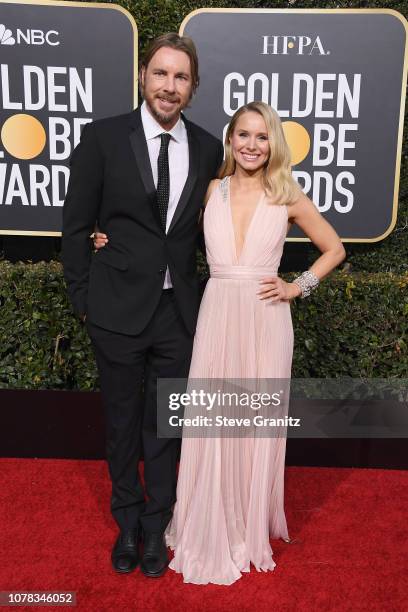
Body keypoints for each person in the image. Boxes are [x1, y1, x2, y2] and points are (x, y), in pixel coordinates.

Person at [94, 101, 346, 585]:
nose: (252, 145)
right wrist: (108, 237)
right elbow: (160, 234)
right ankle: (205, 515)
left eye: (262, 136)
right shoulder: (211, 189)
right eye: (243, 135)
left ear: (274, 143)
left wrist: (297, 286)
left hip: (265, 320)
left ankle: (245, 522)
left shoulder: (289, 195)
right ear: (230, 141)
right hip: (214, 315)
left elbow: (334, 248)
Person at [62, 32, 224, 578]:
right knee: (122, 424)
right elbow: (76, 228)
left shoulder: (207, 148)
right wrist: (85, 300)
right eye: (161, 74)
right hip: (115, 313)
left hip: (178, 315)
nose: (169, 86)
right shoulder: (103, 139)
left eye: (181, 77)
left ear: (192, 87)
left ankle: (156, 528)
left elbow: (210, 227)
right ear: (142, 76)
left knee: (165, 426)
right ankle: (125, 522)